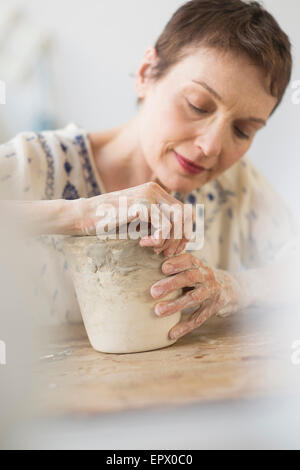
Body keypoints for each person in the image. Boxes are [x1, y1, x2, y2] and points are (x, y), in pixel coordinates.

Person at [0, 0, 299, 340]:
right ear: (146, 74)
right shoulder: (34, 163)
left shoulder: (234, 185)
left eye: (243, 130)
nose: (212, 146)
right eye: (198, 105)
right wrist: (80, 214)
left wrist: (235, 287)